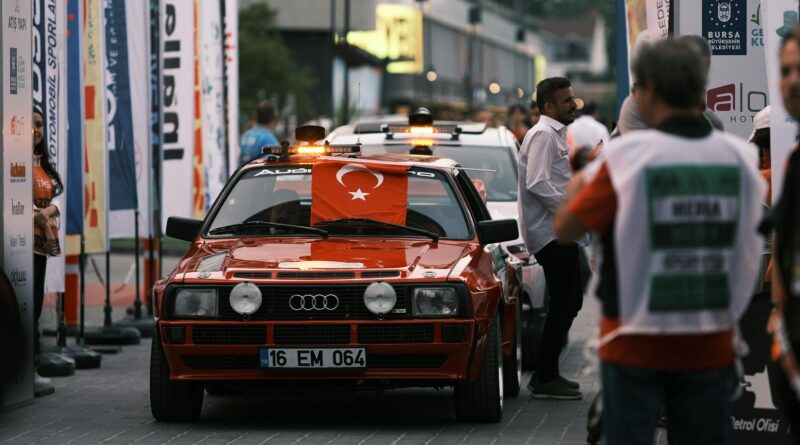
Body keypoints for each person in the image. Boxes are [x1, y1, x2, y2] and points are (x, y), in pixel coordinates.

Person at [553, 39, 765, 444]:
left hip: (634, 341)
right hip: (711, 338)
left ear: (647, 89)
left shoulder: (624, 160)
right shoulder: (740, 158)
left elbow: (565, 227)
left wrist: (582, 177)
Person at [518, 76, 584, 400]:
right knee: (565, 303)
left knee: (570, 301)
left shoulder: (554, 133)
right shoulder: (543, 135)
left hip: (558, 231)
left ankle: (548, 373)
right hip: (551, 233)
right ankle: (545, 376)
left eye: (573, 98)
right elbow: (537, 183)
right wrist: (568, 213)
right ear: (548, 106)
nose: (573, 104)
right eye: (567, 99)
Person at [767, 28, 800, 443]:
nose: (793, 80)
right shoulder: (793, 161)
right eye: (786, 70)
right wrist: (778, 314)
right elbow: (783, 240)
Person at [32, 108, 63, 389]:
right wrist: (38, 216)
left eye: (40, 124)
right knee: (23, 308)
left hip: (41, 248)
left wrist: (50, 210)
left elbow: (57, 198)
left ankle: (31, 369)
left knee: (35, 308)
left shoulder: (44, 164)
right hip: (20, 248)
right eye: (30, 124)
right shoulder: (14, 161)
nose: (36, 129)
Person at [239, 100, 279, 165]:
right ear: (273, 119)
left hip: (244, 173)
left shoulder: (246, 135)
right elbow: (273, 167)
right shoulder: (268, 139)